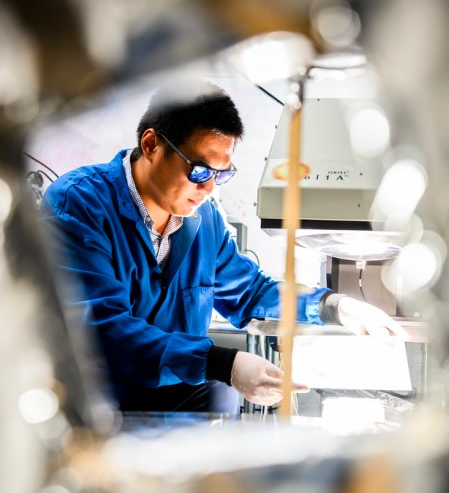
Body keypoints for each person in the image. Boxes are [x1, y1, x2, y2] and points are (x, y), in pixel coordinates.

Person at [43, 78, 406, 413]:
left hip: (172, 394)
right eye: (200, 171)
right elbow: (103, 331)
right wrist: (221, 363)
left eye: (222, 174)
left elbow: (249, 292)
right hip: (95, 402)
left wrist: (333, 306)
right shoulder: (80, 205)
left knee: (218, 399)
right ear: (151, 145)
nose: (209, 189)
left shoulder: (204, 221)